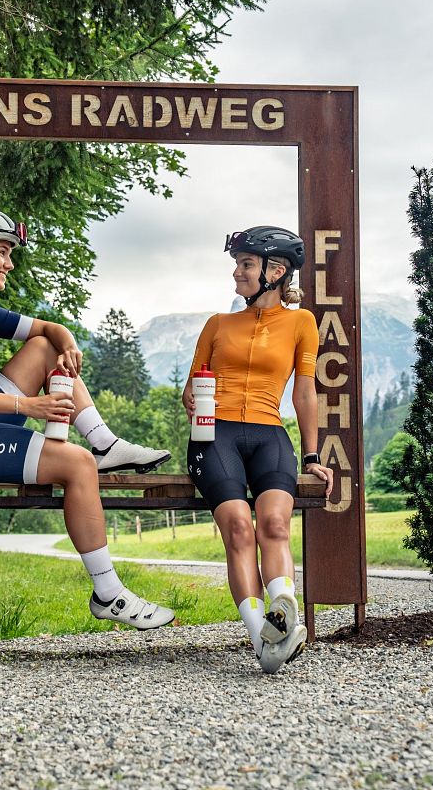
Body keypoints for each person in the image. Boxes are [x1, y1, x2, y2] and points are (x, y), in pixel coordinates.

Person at [0, 206, 173, 630]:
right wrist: (30, 407)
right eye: (3, 253)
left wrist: (69, 344)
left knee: (45, 348)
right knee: (76, 464)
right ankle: (109, 594)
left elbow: (50, 329)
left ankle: (106, 444)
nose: (8, 263)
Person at [181, 226, 334, 673]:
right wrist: (191, 396)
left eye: (246, 264)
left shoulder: (301, 323)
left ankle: (283, 605)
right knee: (238, 529)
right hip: (216, 435)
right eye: (239, 263)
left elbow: (305, 393)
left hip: (269, 434)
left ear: (275, 270)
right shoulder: (217, 324)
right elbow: (192, 387)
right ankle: (263, 640)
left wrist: (312, 455)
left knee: (273, 523)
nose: (237, 272)